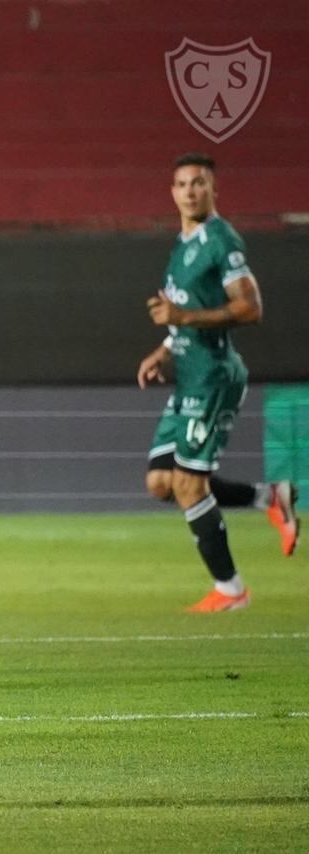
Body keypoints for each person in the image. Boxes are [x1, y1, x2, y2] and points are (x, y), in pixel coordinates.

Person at [137, 153, 299, 612]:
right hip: (187, 375)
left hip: (213, 377)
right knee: (160, 483)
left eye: (199, 183)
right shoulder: (180, 245)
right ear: (173, 192)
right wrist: (164, 349)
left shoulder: (221, 239)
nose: (190, 191)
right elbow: (181, 312)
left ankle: (232, 591)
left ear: (213, 190)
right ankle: (271, 496)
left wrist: (183, 317)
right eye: (182, 184)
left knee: (189, 485)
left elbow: (250, 308)